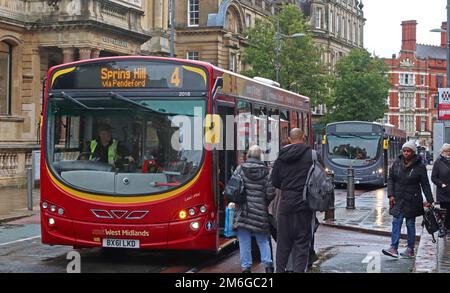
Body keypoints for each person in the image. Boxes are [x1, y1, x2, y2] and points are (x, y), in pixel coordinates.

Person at [272, 128, 315, 273]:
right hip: (305, 205)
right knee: (302, 245)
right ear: (303, 137)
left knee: (283, 245)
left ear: (290, 139)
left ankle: (279, 271)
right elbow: (321, 180)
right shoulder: (312, 155)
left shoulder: (281, 156)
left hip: (285, 206)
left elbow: (275, 181)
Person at [382, 141, 434, 259]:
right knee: (396, 222)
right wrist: (391, 195)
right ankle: (393, 247)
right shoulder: (396, 164)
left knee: (410, 223)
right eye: (404, 151)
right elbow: (391, 180)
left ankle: (410, 249)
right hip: (398, 199)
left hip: (412, 199)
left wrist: (430, 200)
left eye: (408, 151)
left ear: (413, 152)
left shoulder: (420, 166)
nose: (406, 153)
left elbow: (425, 184)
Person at [232, 145, 275, 273]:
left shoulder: (240, 169)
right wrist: (263, 203)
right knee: (262, 240)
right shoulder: (265, 171)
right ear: (260, 156)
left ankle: (246, 268)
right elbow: (270, 193)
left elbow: (233, 187)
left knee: (244, 242)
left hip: (243, 212)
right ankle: (268, 266)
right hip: (259, 212)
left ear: (248, 156)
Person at [431, 143, 450, 237]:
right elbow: (433, 177)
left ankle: (448, 228)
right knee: (444, 212)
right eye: (446, 151)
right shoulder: (438, 162)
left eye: (449, 151)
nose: (448, 153)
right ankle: (443, 228)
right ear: (442, 152)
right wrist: (441, 184)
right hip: (443, 192)